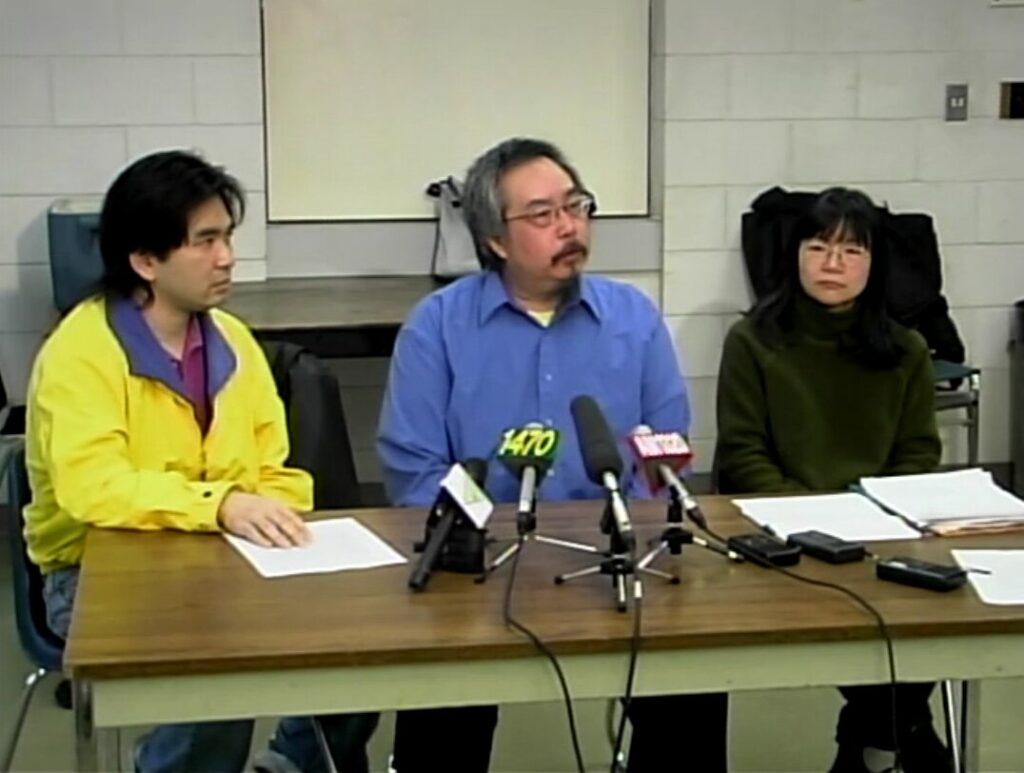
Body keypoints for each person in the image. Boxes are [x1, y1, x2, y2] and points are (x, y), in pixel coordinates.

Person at [23, 150, 377, 773]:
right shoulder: (80, 352)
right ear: (145, 261)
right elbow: (92, 488)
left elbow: (275, 466)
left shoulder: (233, 340)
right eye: (206, 240)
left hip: (220, 557)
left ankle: (289, 766)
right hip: (94, 571)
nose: (226, 257)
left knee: (363, 638)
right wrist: (223, 507)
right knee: (222, 661)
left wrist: (276, 515)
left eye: (227, 236)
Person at [376, 137, 705, 772]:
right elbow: (415, 471)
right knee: (442, 714)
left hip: (615, 559)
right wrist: (483, 542)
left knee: (689, 687)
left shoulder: (633, 318)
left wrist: (629, 536)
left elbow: (663, 457)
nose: (569, 227)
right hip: (479, 568)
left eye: (576, 207)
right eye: (543, 215)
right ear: (495, 239)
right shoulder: (437, 326)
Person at [715, 187, 950, 773]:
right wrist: (809, 522)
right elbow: (744, 456)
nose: (833, 264)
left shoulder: (906, 350)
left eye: (851, 251)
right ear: (795, 256)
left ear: (875, 263)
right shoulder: (753, 341)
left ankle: (870, 750)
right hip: (780, 541)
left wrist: (872, 521)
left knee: (917, 632)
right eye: (818, 247)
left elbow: (918, 454)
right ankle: (893, 749)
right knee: (896, 687)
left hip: (883, 536)